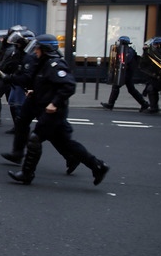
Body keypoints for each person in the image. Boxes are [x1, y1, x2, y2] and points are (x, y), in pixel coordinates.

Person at [8, 34, 110, 186]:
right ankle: (98, 166)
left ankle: (27, 174)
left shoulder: (55, 64)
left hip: (53, 112)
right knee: (66, 143)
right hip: (47, 109)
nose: (35, 51)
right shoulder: (43, 63)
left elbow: (68, 85)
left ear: (45, 49)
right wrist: (34, 91)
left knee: (35, 139)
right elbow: (47, 85)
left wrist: (54, 103)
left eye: (38, 48)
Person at [101, 36, 149, 111]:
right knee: (131, 90)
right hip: (126, 72)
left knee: (116, 87)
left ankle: (110, 104)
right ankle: (144, 103)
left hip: (126, 73)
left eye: (119, 41)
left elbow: (125, 61)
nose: (118, 43)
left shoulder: (128, 51)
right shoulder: (125, 50)